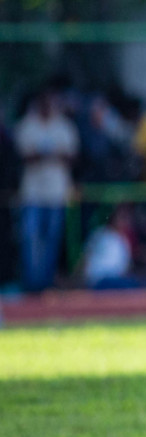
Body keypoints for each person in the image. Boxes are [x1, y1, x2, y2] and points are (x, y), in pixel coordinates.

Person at [14, 88, 78, 293]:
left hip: (56, 194)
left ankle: (45, 285)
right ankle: (31, 285)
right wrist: (50, 154)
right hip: (32, 194)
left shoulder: (64, 126)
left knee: (52, 241)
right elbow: (25, 157)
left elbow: (71, 157)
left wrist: (44, 154)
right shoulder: (27, 125)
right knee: (31, 240)